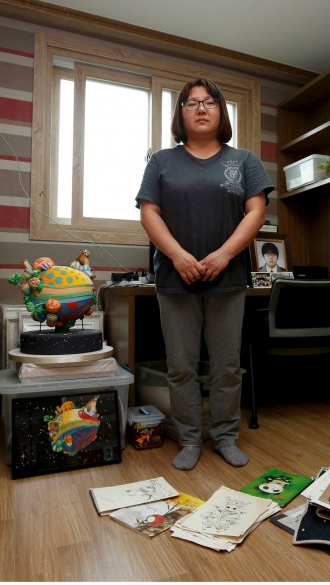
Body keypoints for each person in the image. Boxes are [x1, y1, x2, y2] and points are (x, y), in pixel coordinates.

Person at [136, 78, 272, 471]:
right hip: (174, 280)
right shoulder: (161, 161)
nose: (200, 108)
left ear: (221, 112)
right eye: (192, 103)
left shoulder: (244, 160)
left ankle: (226, 436)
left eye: (209, 102)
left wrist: (224, 255)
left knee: (227, 365)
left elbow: (256, 212)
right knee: (181, 366)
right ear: (181, 113)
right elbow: (148, 212)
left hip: (227, 279)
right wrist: (177, 255)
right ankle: (190, 438)